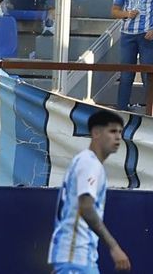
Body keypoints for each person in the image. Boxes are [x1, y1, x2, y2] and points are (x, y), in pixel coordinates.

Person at [48, 108, 131, 273]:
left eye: (120, 132)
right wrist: (114, 246)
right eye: (112, 131)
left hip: (78, 257)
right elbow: (86, 207)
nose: (118, 138)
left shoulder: (85, 161)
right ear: (96, 133)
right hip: (75, 255)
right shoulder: (89, 163)